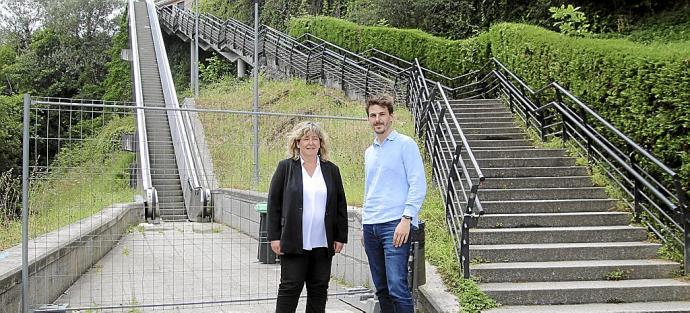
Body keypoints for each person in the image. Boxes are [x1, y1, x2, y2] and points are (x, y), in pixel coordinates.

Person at [267, 121, 349, 313]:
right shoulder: (285, 168)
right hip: (294, 241)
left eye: (315, 138)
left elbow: (340, 205)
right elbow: (274, 204)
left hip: (322, 242)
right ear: (297, 143)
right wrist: (274, 237)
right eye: (306, 138)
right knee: (290, 287)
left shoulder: (331, 170)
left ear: (321, 143)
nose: (311, 143)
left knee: (319, 289)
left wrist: (340, 236)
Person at [362, 94, 426, 313]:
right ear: (368, 119)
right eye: (373, 115)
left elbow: (418, 184)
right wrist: (365, 223)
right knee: (381, 288)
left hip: (395, 224)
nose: (377, 119)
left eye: (382, 114)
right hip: (371, 225)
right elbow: (369, 189)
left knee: (397, 286)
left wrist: (407, 218)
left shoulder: (405, 145)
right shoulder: (369, 152)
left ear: (391, 116)